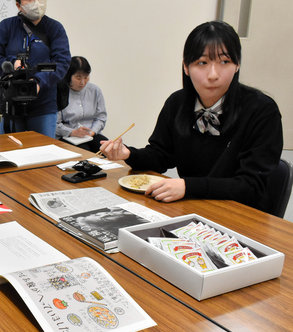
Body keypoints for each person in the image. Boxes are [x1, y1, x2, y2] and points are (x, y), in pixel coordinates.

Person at [100, 21, 283, 212]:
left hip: (241, 215)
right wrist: (128, 154)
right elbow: (162, 155)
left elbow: (251, 186)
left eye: (224, 62)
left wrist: (188, 187)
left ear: (237, 65)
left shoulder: (262, 110)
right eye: (202, 63)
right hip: (192, 209)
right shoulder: (177, 103)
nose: (213, 75)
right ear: (186, 67)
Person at [0, 0, 71, 138]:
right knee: (10, 154)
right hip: (9, 104)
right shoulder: (6, 27)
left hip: (43, 106)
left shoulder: (55, 28)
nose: (36, 3)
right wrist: (12, 64)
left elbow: (62, 63)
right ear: (18, 5)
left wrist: (38, 81)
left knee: (43, 154)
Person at [56, 56, 107, 152]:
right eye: (78, 78)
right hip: (67, 136)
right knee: (85, 154)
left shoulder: (95, 91)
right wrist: (73, 132)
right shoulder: (59, 92)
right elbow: (55, 123)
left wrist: (92, 132)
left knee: (108, 150)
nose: (83, 82)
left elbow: (101, 118)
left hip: (91, 134)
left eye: (86, 77)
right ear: (68, 76)